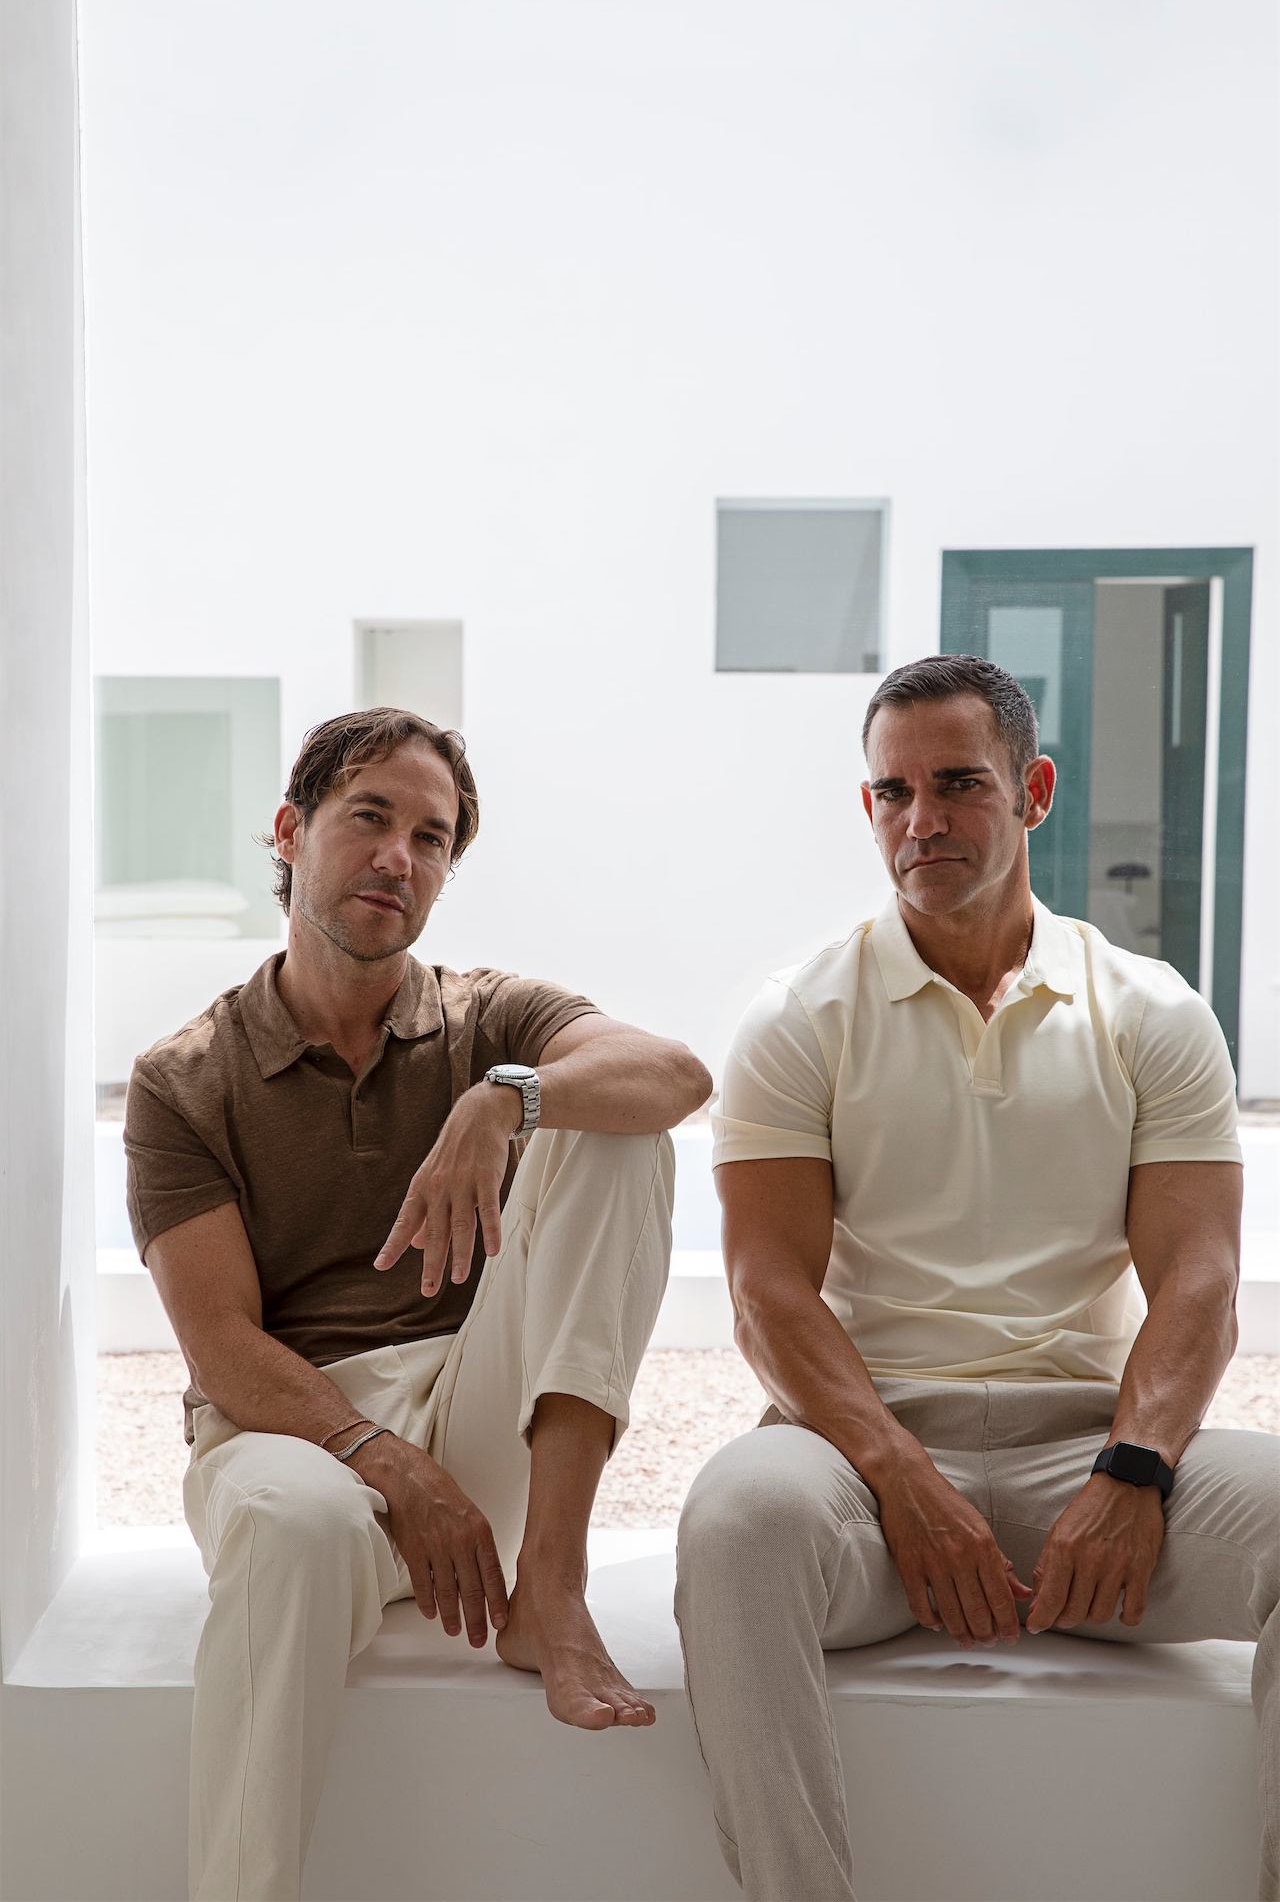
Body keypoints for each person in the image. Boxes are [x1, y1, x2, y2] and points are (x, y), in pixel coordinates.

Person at [675, 655, 1278, 1902]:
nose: (920, 821)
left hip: (1094, 1465)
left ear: (1033, 791)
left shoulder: (1149, 1011)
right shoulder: (796, 1014)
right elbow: (766, 1295)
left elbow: (1201, 1281)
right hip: (858, 1465)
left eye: (957, 784)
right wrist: (900, 1479)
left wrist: (1134, 1470)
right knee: (736, 1523)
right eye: (891, 793)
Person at [126, 707, 712, 1902]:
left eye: (433, 837)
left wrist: (502, 1100)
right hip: (296, 1434)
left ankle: (548, 1589)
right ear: (292, 832)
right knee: (292, 1528)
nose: (400, 856)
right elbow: (221, 1347)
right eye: (370, 819)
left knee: (616, 1135)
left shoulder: (489, 1014)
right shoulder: (183, 1079)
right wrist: (395, 1467)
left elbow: (678, 1076)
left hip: (475, 1401)